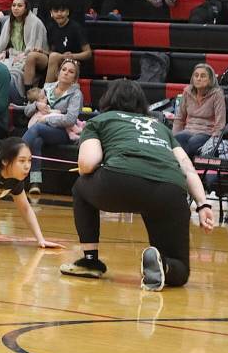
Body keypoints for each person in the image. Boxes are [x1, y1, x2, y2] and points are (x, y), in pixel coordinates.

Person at [60, 79, 214, 289]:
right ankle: (165, 265)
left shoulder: (101, 120)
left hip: (120, 182)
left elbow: (87, 164)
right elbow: (187, 167)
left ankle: (90, 261)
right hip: (170, 191)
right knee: (181, 272)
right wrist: (203, 204)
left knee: (80, 186)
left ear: (108, 99)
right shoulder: (160, 127)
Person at [22, 58, 82, 195]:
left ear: (74, 78)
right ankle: (35, 182)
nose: (66, 73)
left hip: (63, 132)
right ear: (58, 72)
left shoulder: (76, 94)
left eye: (71, 71)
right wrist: (36, 105)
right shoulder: (47, 88)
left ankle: (13, 153)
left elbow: (70, 120)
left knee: (36, 129)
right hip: (44, 131)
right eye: (64, 70)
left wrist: (47, 120)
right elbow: (26, 111)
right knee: (36, 141)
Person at [0, 0, 48, 99]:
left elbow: (36, 47)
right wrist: (4, 53)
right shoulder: (9, 22)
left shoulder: (35, 22)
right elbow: (5, 45)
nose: (15, 8)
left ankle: (20, 96)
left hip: (35, 55)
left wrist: (22, 55)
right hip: (15, 54)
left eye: (19, 5)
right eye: (13, 5)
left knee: (15, 69)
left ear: (26, 8)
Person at [172, 63, 226, 157]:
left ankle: (183, 162)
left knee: (193, 143)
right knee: (177, 139)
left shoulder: (217, 94)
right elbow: (179, 118)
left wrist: (213, 143)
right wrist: (173, 137)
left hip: (207, 133)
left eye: (203, 76)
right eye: (196, 75)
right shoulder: (187, 92)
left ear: (210, 80)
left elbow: (220, 123)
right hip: (188, 130)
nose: (198, 78)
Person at [36, 0, 91, 81]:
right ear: (51, 13)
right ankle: (27, 89)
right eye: (56, 11)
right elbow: (53, 51)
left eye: (62, 10)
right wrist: (43, 52)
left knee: (54, 57)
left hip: (75, 62)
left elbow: (88, 53)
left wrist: (73, 56)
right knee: (33, 56)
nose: (59, 14)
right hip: (58, 59)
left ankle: (47, 91)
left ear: (68, 12)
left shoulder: (76, 28)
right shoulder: (51, 27)